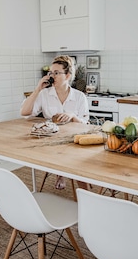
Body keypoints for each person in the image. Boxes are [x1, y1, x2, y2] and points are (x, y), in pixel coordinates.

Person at [21, 55, 89, 190]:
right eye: (51, 73)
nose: (52, 76)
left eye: (56, 73)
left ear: (68, 76)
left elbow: (85, 124)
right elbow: (24, 112)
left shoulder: (79, 97)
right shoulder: (44, 94)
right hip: (52, 140)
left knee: (75, 161)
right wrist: (37, 89)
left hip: (74, 140)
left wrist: (72, 116)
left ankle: (85, 193)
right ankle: (61, 174)